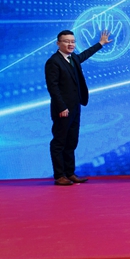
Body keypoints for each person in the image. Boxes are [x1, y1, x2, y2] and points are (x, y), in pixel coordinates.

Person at [45, 29, 112, 185]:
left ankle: (70, 173)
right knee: (59, 142)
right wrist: (62, 107)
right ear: (58, 43)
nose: (71, 44)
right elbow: (53, 87)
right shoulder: (53, 62)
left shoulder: (73, 58)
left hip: (75, 107)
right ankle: (59, 176)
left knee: (71, 141)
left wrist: (100, 43)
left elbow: (85, 55)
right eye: (66, 41)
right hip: (63, 110)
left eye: (73, 41)